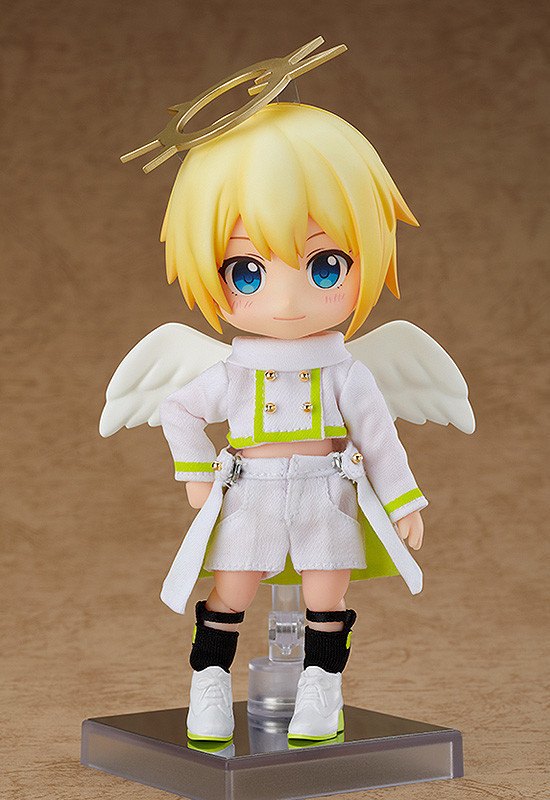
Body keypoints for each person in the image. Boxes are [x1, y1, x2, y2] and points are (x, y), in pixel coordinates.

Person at [158, 102, 427, 741]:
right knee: (231, 590)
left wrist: (403, 500)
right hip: (248, 493)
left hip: (325, 492)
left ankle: (322, 687)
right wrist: (197, 473)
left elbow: (379, 439)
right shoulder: (233, 372)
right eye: (247, 272)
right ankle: (209, 680)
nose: (285, 300)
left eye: (325, 266)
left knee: (325, 596)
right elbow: (178, 409)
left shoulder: (345, 372)